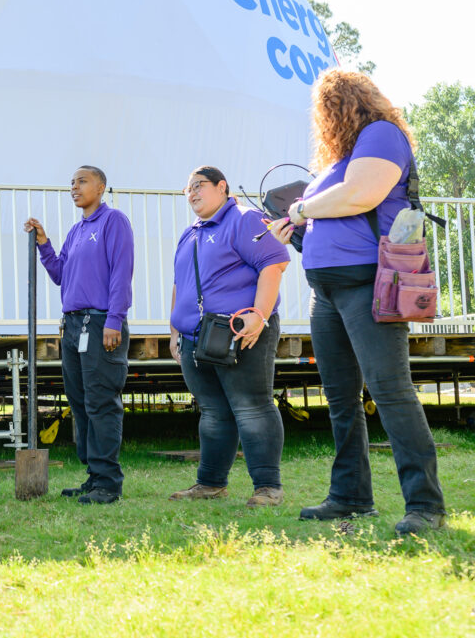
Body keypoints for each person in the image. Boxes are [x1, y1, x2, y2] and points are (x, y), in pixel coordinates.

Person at [271, 69, 447, 534]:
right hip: (326, 290)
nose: (323, 117)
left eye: (327, 106)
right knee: (341, 398)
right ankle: (351, 497)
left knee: (390, 391)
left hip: (370, 283)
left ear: (347, 103)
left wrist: (301, 209)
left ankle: (426, 505)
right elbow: (333, 214)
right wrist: (297, 230)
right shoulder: (338, 160)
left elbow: (360, 195)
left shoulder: (382, 135)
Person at [168, 167, 290, 507]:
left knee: (251, 408)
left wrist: (260, 315)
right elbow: (181, 284)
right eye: (187, 189)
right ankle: (210, 484)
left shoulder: (244, 219)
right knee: (212, 412)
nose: (191, 193)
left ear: (222, 187)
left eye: (198, 186)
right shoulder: (189, 233)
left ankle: (268, 487)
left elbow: (274, 263)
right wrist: (175, 330)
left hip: (239, 332)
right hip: (195, 337)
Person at [24, 166, 134, 505]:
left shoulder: (113, 221)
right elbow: (60, 274)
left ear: (101, 186)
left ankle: (109, 481)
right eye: (71, 182)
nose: (74, 187)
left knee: (101, 402)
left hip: (101, 323)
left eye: (82, 181)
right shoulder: (75, 231)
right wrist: (44, 243)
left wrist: (115, 320)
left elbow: (121, 272)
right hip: (72, 326)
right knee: (80, 401)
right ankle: (94, 475)